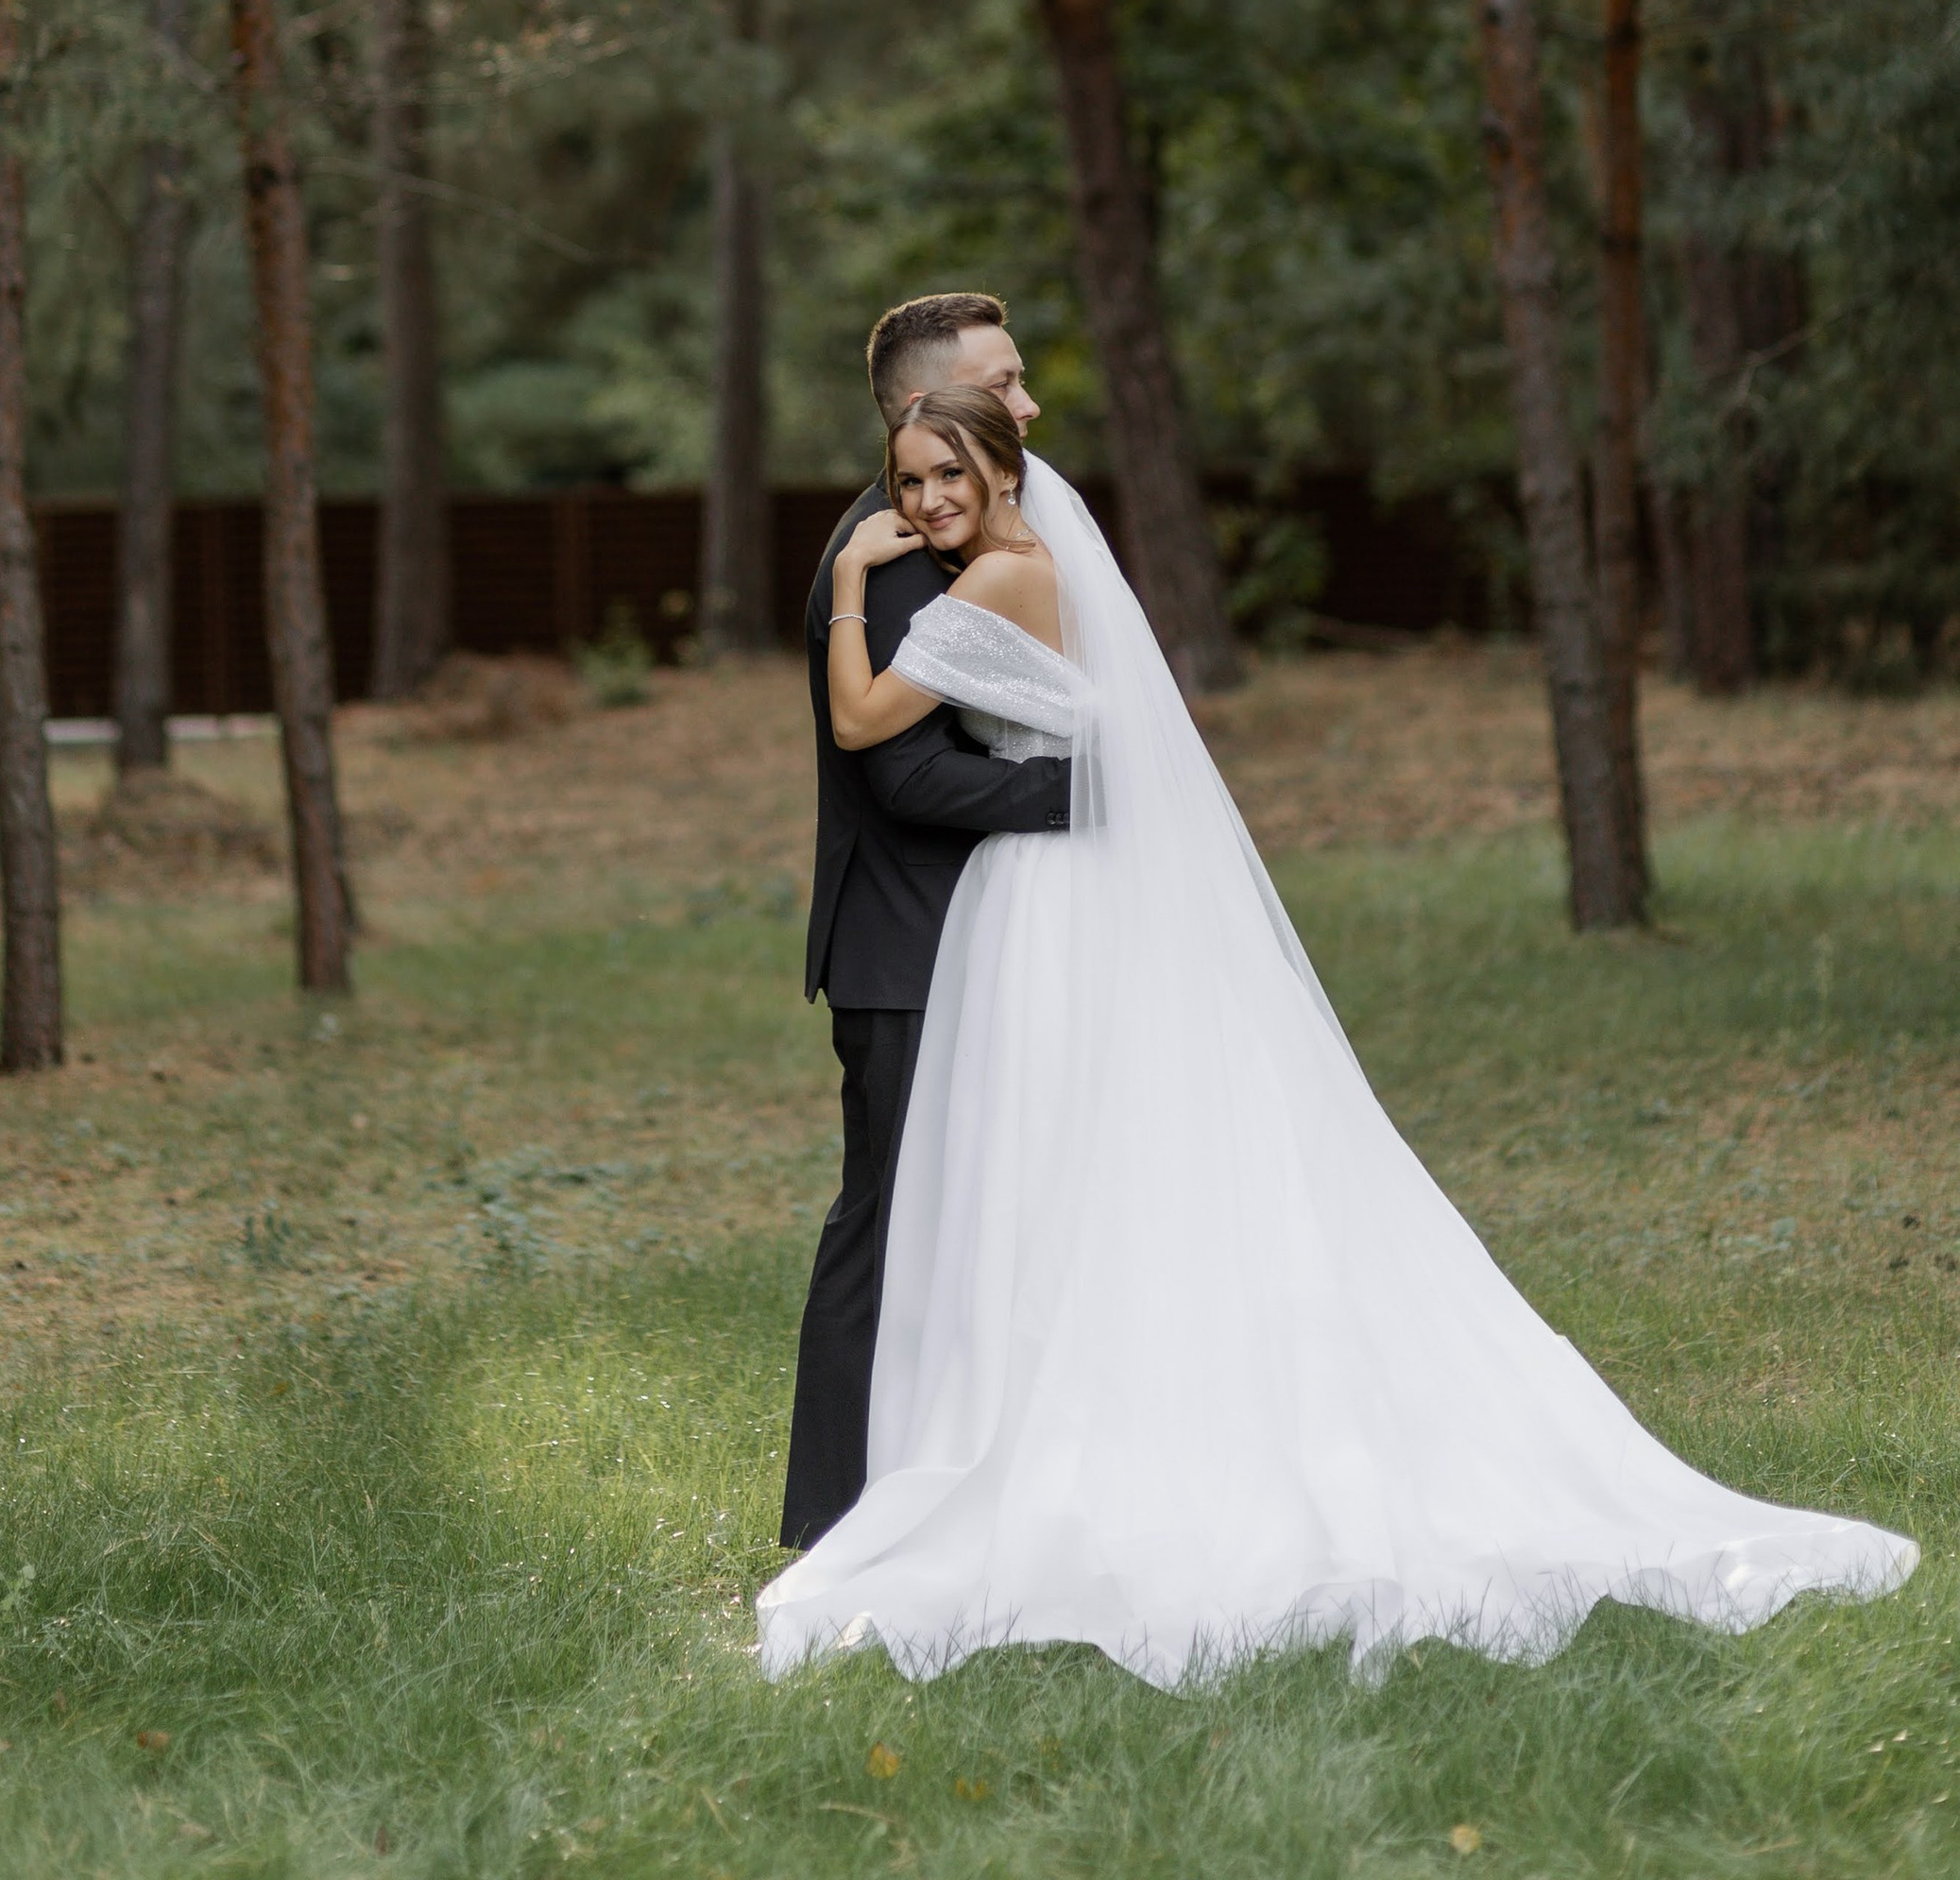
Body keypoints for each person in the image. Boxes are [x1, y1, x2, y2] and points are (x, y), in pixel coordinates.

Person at [760, 386, 1917, 1686]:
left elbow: (861, 722)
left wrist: (850, 578)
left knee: (1066, 1166)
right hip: (1079, 889)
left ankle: (1077, 1436)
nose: (925, 502)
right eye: (907, 482)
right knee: (1106, 1166)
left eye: (948, 475)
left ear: (1004, 475)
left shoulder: (1000, 580)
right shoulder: (1046, 568)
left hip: (1052, 899)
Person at [780, 293, 1071, 1552]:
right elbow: (903, 774)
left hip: (960, 937)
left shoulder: (956, 540)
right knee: (887, 1225)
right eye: (1003, 383)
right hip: (904, 946)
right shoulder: (892, 556)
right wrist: (1078, 795)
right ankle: (837, 1518)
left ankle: (954, 1482)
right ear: (925, 410)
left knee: (960, 1224)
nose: (1028, 404)